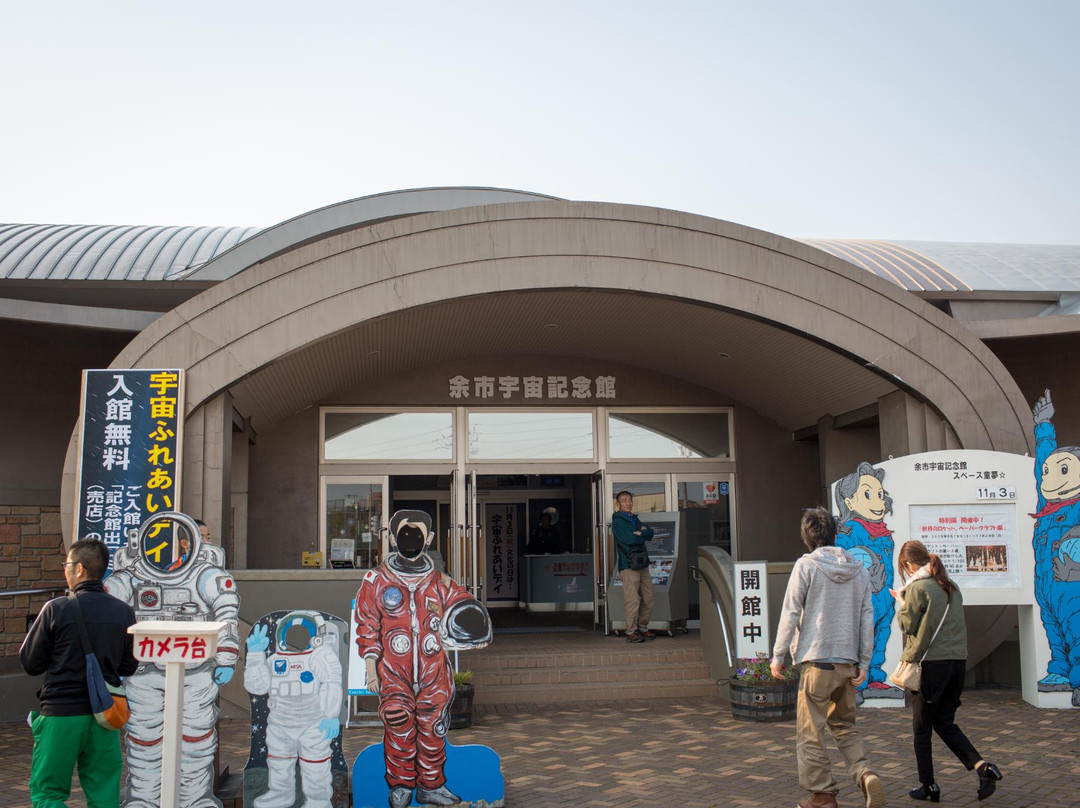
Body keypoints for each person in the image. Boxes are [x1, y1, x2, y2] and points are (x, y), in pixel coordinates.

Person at [354, 510, 492, 808]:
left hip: (433, 672)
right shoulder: (376, 581)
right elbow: (367, 626)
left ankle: (432, 785)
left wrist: (474, 632)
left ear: (428, 539)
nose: (410, 538)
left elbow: (463, 607)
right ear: (392, 537)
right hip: (393, 672)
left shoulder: (440, 581)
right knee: (398, 726)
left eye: (417, 533)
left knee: (433, 729)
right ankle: (401, 784)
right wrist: (370, 670)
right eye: (404, 532)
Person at [105, 512, 240, 808]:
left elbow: (227, 614)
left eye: (204, 539)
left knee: (196, 738)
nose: (203, 543)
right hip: (143, 671)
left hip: (196, 671)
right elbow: (108, 603)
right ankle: (143, 797)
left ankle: (194, 798)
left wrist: (226, 654)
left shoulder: (207, 576)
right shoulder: (135, 574)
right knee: (143, 739)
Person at [770, 507, 884, 808]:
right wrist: (864, 660)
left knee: (811, 731)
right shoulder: (857, 569)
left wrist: (778, 655)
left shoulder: (805, 565)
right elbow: (866, 615)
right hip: (847, 662)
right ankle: (865, 773)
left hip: (817, 660)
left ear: (807, 537)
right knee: (845, 726)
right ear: (834, 532)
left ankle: (822, 795)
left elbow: (791, 611)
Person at [20, 537, 138, 807]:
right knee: (104, 794)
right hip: (105, 715)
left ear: (80, 569)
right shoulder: (124, 612)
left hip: (61, 713)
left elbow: (30, 662)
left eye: (67, 564)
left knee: (48, 793)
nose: (65, 570)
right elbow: (129, 666)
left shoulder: (56, 609)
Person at [891, 540, 1003, 802]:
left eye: (904, 568)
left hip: (932, 666)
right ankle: (983, 768)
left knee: (921, 729)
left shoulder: (918, 588)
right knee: (944, 722)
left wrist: (902, 601)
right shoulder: (950, 586)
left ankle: (929, 786)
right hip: (957, 664)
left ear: (908, 565)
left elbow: (907, 626)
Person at [244, 611, 343, 808]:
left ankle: (318, 800)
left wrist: (331, 714)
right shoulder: (274, 660)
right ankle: (281, 793)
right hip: (280, 723)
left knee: (315, 764)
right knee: (279, 761)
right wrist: (255, 657)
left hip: (313, 723)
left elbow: (332, 682)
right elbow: (257, 687)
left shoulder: (318, 657)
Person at [611, 491, 655, 643]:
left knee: (649, 598)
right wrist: (639, 534)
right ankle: (631, 631)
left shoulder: (634, 518)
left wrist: (641, 532)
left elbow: (650, 533)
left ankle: (643, 627)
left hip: (642, 563)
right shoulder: (617, 521)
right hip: (628, 565)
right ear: (618, 504)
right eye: (624, 501)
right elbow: (629, 539)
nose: (628, 503)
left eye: (629, 500)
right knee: (632, 600)